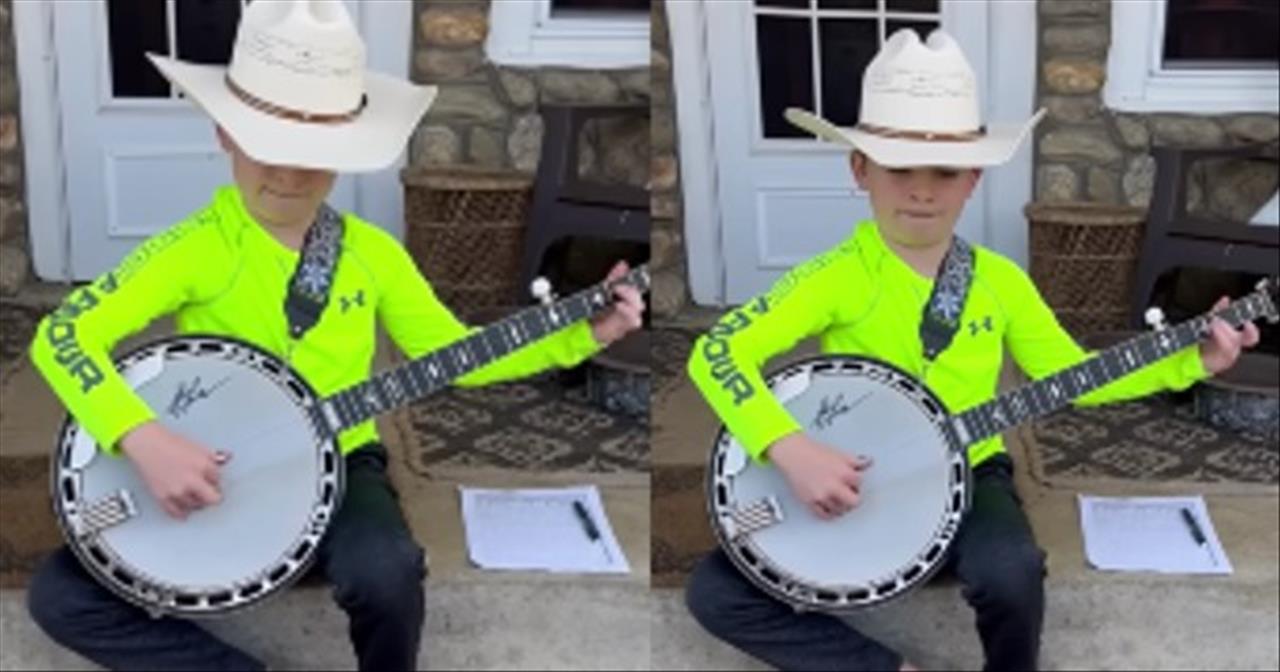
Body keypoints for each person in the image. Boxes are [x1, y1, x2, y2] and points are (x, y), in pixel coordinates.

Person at [24, 2, 645, 671]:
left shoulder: (372, 255)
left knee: (388, 571)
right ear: (225, 132)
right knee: (61, 599)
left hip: (340, 454)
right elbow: (62, 337)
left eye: (314, 153)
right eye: (269, 144)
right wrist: (143, 438)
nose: (289, 175)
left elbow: (449, 353)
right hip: (211, 459)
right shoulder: (194, 250)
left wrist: (581, 335)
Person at [683, 28, 1258, 672]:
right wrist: (792, 450)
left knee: (1011, 570)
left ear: (973, 181)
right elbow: (716, 353)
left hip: (968, 465)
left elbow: (1072, 377)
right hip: (850, 471)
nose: (922, 191)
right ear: (860, 170)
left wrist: (1190, 360)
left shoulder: (1001, 281)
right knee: (714, 594)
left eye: (945, 171)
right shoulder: (836, 276)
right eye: (900, 169)